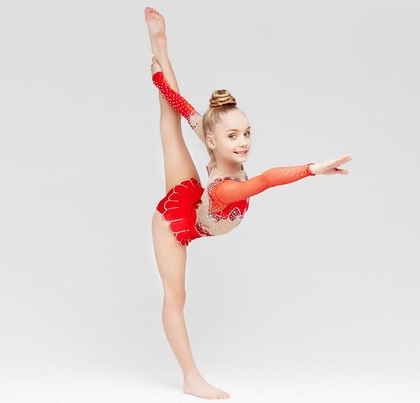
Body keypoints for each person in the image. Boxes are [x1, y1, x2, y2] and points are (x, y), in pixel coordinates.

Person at [145, 6, 353, 400]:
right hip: (178, 223)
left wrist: (160, 75)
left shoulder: (211, 137)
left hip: (192, 195)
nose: (242, 143)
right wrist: (312, 168)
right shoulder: (224, 188)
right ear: (212, 141)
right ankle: (191, 378)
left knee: (174, 115)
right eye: (233, 137)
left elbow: (184, 104)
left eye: (246, 133)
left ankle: (160, 47)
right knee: (177, 296)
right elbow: (267, 179)